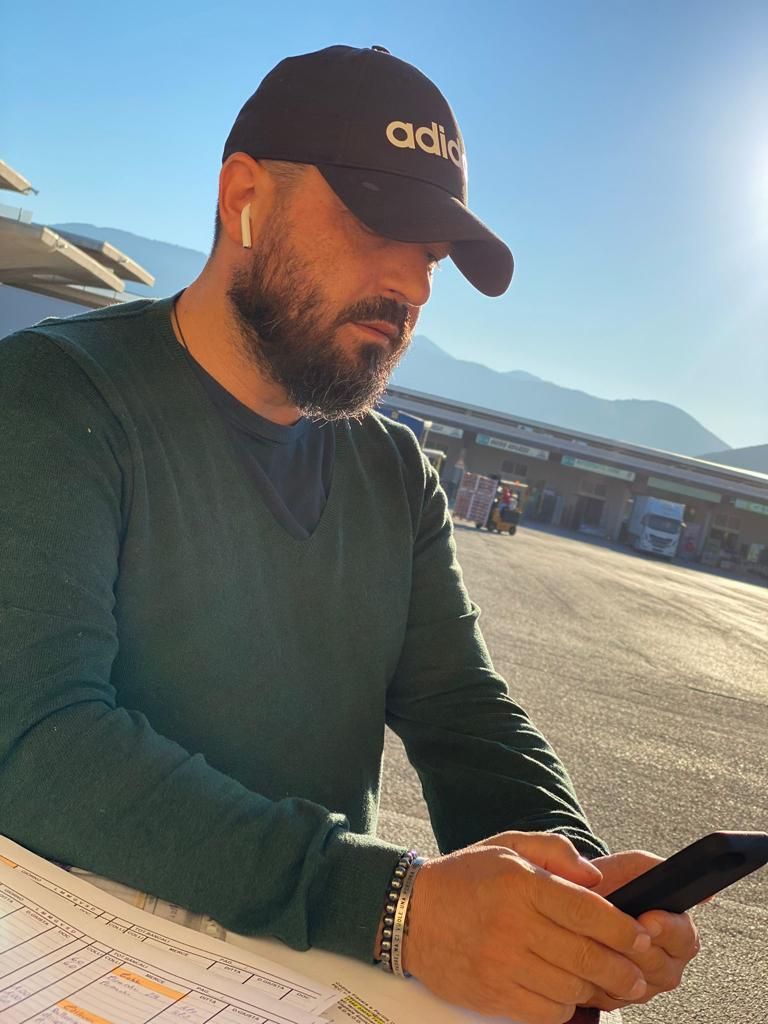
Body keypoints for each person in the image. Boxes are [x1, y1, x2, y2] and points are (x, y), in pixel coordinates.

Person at [0, 45, 698, 1024]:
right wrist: (395, 908)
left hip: (303, 986)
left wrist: (573, 887)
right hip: (73, 973)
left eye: (433, 255)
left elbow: (463, 712)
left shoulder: (394, 472)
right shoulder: (53, 397)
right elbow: (39, 739)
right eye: (379, 225)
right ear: (244, 197)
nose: (414, 285)